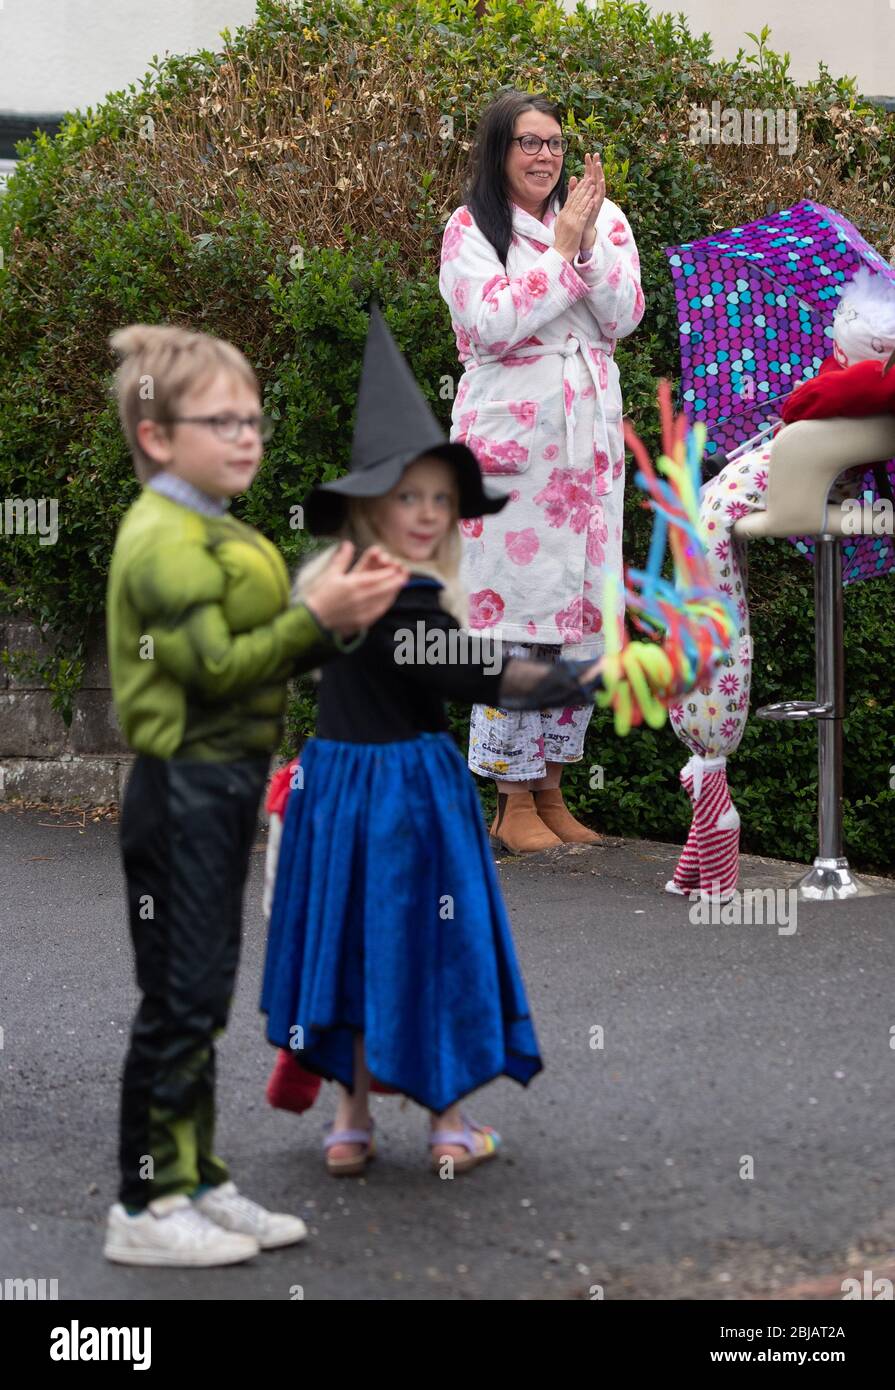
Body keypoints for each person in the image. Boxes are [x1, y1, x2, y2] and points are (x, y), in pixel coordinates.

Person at [261, 303, 614, 1177]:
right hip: (403, 797)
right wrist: (588, 677)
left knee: (347, 943)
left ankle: (349, 1126)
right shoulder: (399, 596)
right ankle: (449, 1125)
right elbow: (475, 673)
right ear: (369, 508)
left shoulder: (336, 582)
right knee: (431, 947)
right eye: (405, 496)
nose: (425, 513)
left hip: (332, 788)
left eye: (438, 499)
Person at [102, 322, 406, 1265]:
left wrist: (329, 619)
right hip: (183, 789)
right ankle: (145, 1207)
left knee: (201, 996)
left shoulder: (213, 527)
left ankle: (192, 1178)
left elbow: (262, 649)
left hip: (222, 788)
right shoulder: (161, 536)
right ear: (157, 436)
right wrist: (317, 619)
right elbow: (216, 670)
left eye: (254, 420)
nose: (248, 437)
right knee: (179, 1001)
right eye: (222, 420)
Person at [438, 89, 645, 853]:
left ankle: (552, 790)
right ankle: (509, 800)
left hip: (586, 450)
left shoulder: (606, 218)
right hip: (511, 453)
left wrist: (586, 244)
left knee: (582, 624)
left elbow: (622, 318)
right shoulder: (469, 230)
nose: (543, 155)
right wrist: (558, 251)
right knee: (515, 619)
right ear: (498, 151)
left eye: (553, 143)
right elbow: (489, 324)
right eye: (527, 142)